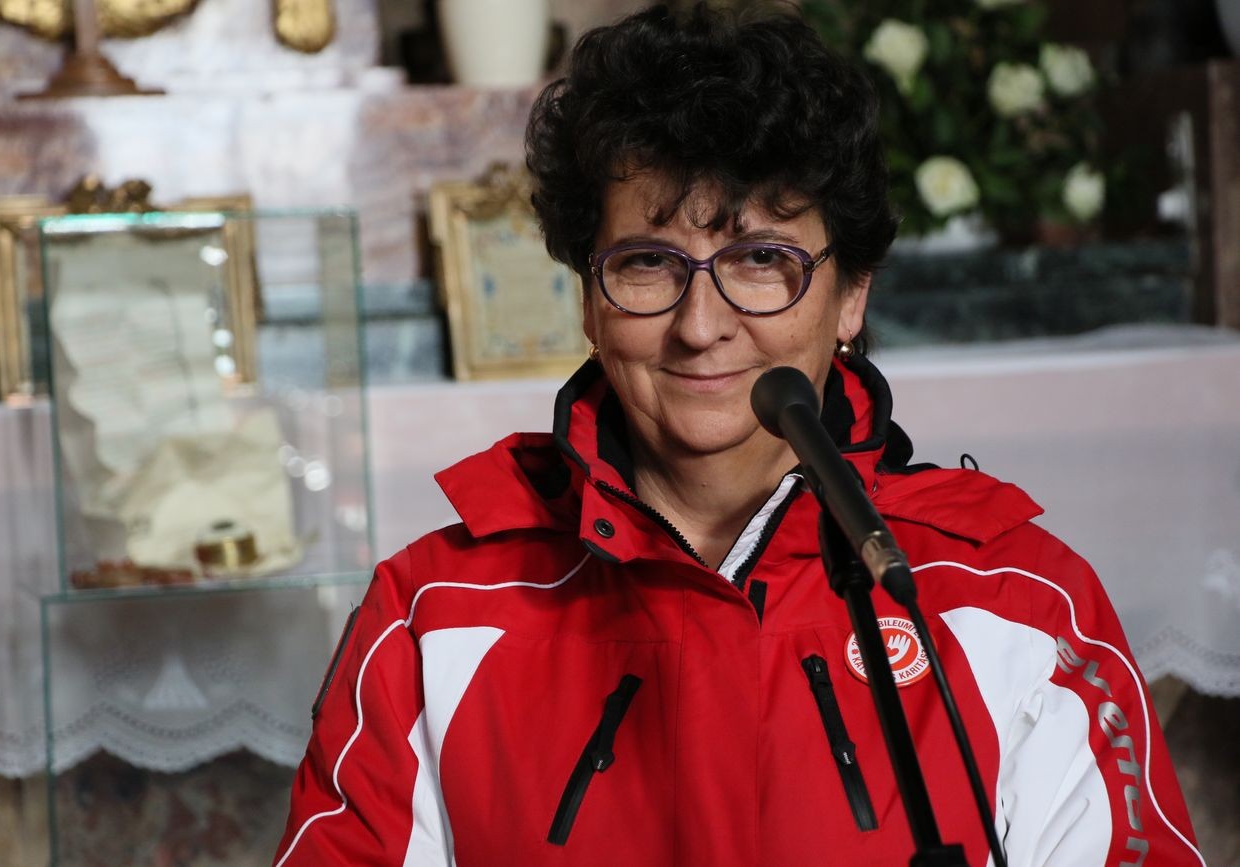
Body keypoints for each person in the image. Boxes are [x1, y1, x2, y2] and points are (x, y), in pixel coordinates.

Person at [274, 6, 1202, 865]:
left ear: (852, 295)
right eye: (648, 263)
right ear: (590, 303)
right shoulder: (435, 613)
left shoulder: (1020, 602)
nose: (701, 325)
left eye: (763, 259)